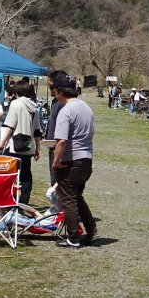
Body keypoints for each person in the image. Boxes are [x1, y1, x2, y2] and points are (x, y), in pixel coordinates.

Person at [51, 73, 97, 248]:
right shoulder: (86, 107)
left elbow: (61, 141)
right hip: (86, 159)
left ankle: (73, 237)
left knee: (68, 198)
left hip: (71, 160)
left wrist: (56, 161)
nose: (54, 93)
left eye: (54, 89)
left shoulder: (66, 110)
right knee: (77, 196)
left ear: (61, 91)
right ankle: (91, 231)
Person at [0, 80, 41, 205]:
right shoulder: (34, 107)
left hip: (15, 146)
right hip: (28, 146)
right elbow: (37, 130)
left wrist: (1, 142)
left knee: (9, 174)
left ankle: (8, 200)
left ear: (17, 91)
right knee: (26, 175)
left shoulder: (15, 104)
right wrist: (38, 147)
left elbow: (10, 125)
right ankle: (23, 202)